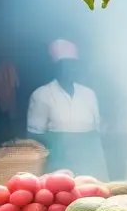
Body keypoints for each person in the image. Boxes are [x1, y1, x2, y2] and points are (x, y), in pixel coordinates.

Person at [27, 40, 109, 180]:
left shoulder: (89, 94)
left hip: (89, 159)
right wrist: (61, 144)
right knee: (62, 195)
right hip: (59, 160)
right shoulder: (42, 94)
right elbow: (34, 133)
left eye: (73, 65)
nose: (70, 69)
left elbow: (97, 130)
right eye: (64, 65)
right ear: (56, 67)